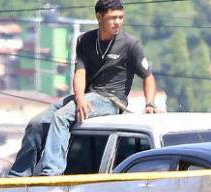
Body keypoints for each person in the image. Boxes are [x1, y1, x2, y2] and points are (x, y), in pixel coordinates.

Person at [8, 0, 158, 177]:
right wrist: (79, 98)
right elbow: (80, 72)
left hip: (111, 100)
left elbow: (148, 77)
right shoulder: (85, 40)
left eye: (120, 17)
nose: (118, 22)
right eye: (112, 18)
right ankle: (18, 176)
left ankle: (51, 174)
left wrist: (150, 104)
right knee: (36, 123)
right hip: (87, 96)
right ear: (99, 17)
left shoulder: (131, 44)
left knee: (61, 117)